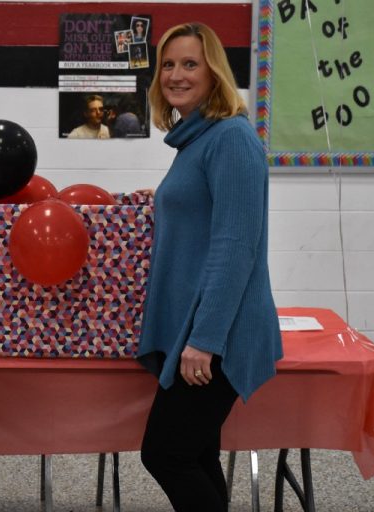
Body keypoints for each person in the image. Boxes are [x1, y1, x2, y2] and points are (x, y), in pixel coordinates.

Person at [136, 23, 282, 512]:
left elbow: (234, 247)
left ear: (215, 72)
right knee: (195, 453)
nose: (176, 75)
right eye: (169, 65)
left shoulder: (231, 139)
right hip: (197, 327)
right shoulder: (194, 141)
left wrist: (205, 340)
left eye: (190, 64)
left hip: (217, 333)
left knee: (164, 453)